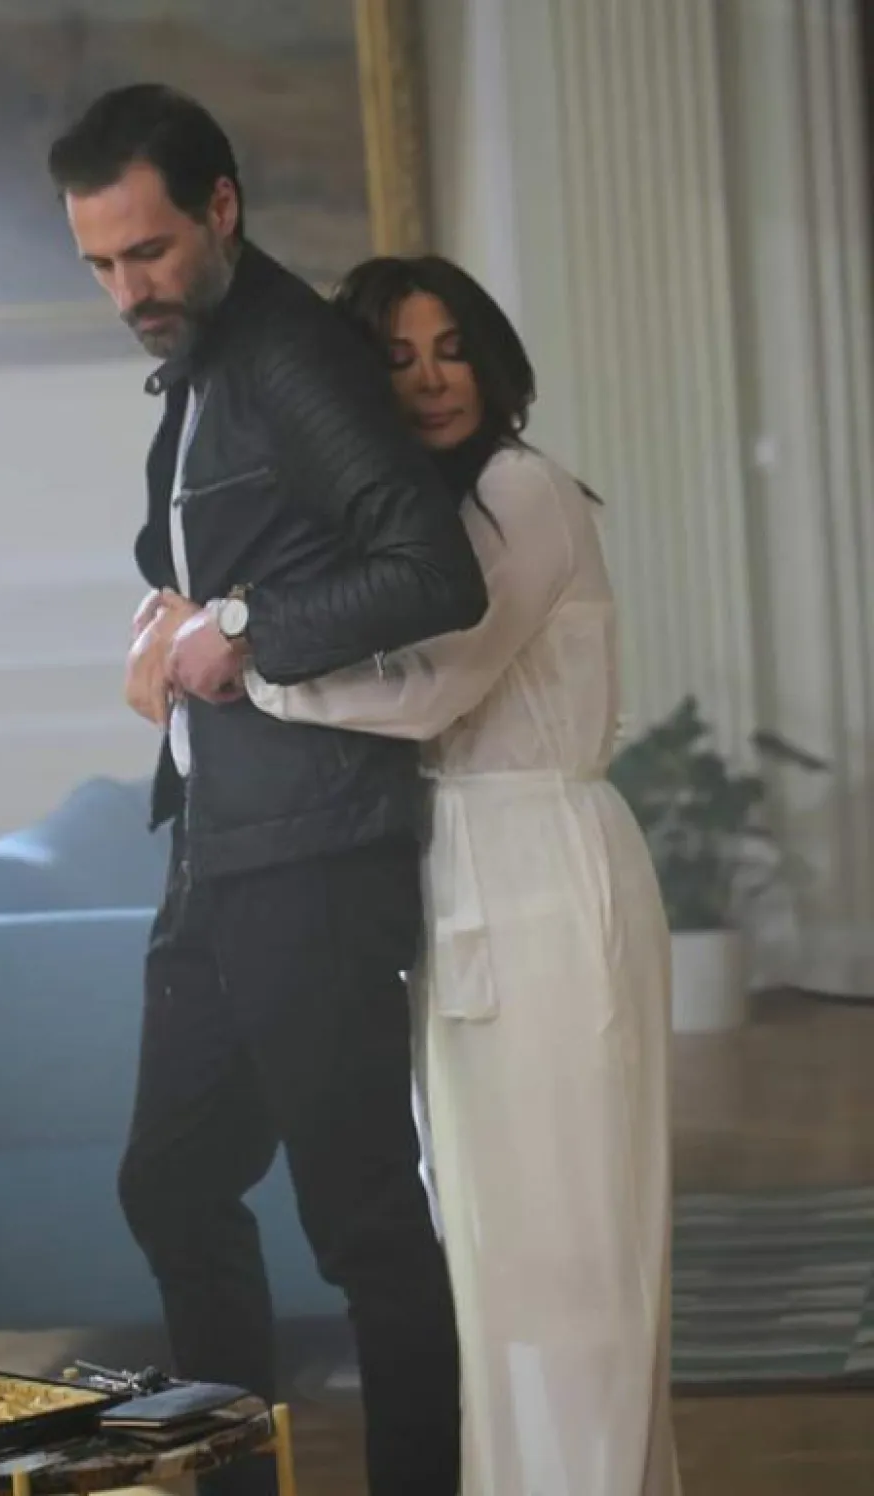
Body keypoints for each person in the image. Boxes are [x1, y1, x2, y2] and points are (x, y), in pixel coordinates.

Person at [47, 88, 488, 1496]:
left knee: (364, 1228)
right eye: (103, 264)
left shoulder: (292, 354)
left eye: (151, 251)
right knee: (172, 1181)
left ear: (223, 207)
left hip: (315, 858)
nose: (130, 289)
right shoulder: (206, 359)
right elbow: (241, 555)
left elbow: (432, 572)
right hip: (223, 847)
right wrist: (173, 622)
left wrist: (235, 629)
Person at [248, 256, 682, 1496]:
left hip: (549, 870)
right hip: (466, 876)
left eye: (453, 349)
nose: (434, 379)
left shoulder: (521, 489)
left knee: (576, 1245)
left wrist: (255, 670)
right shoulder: (428, 513)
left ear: (492, 360)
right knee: (495, 1250)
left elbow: (434, 685)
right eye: (398, 357)